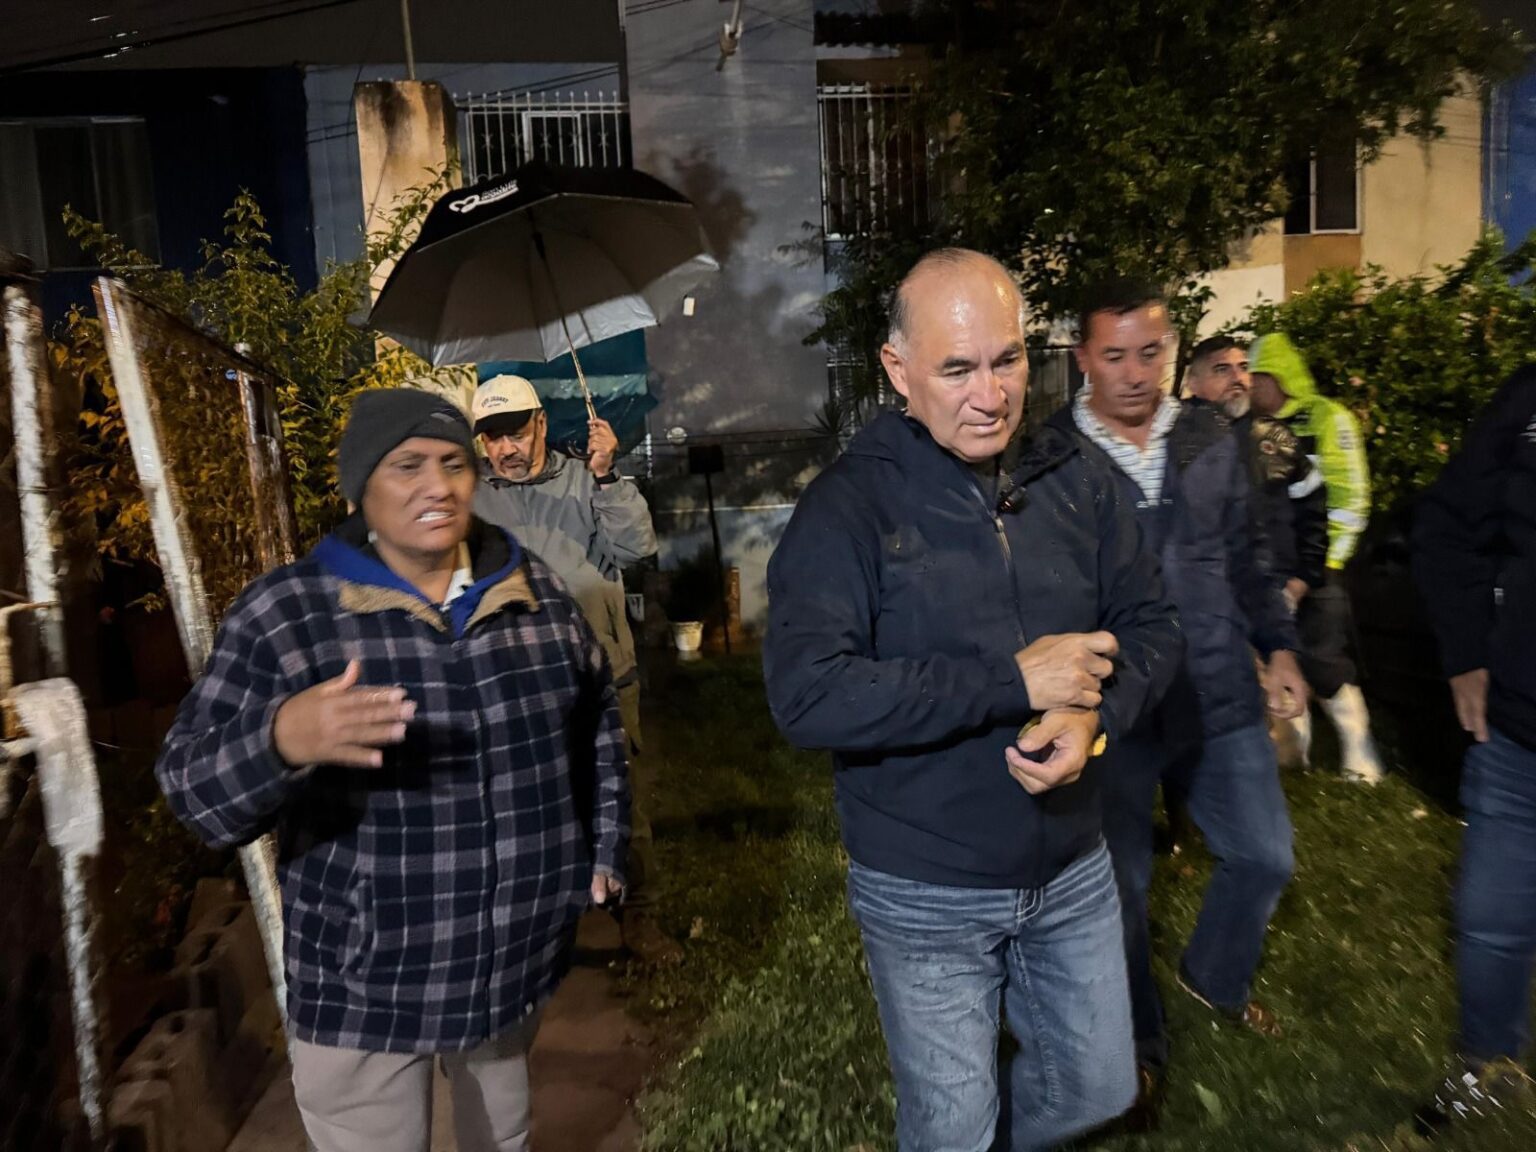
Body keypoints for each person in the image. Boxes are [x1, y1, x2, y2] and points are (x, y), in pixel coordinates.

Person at [763, 249, 1183, 1152]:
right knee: (954, 1131)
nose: (991, 395)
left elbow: (1152, 623)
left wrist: (1095, 718)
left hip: (1072, 865)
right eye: (957, 369)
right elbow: (807, 694)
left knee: (1099, 1088)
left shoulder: (1075, 477)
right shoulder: (848, 509)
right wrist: (1010, 680)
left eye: (1008, 360)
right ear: (898, 369)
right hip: (926, 887)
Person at [155, 389, 629, 1152]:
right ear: (360, 489)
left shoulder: (534, 596)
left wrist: (602, 846)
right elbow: (190, 787)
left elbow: (595, 718)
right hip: (364, 985)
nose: (437, 486)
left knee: (501, 1136)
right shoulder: (291, 614)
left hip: (510, 965)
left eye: (453, 463)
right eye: (407, 466)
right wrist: (281, 738)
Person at [1055, 284, 1307, 1120]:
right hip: (1118, 707)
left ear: (1171, 352)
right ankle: (1138, 1046)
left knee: (1265, 856)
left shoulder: (1211, 438)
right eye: (1114, 356)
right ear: (1083, 358)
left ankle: (1214, 977)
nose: (1135, 373)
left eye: (1150, 353)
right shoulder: (1052, 456)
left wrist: (1278, 644)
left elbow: (1251, 554)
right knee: (1119, 888)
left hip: (1218, 690)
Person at [470, 374, 678, 965]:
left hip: (600, 676)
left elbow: (637, 549)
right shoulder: (470, 498)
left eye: (515, 432)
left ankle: (638, 917)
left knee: (621, 801)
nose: (505, 449)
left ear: (540, 423)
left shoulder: (588, 479)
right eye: (492, 438)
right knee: (521, 813)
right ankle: (537, 933)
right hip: (512, 684)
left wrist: (608, 475)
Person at [1411, 367, 1536, 1133]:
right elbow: (1448, 522)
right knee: (1488, 912)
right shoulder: (1528, 399)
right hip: (1517, 729)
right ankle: (1488, 1064)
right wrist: (1464, 653)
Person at [1248, 333, 1385, 782]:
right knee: (1280, 657)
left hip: (1320, 566)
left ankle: (1362, 758)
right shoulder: (1253, 427)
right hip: (1271, 571)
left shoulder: (1327, 418)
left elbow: (1349, 494)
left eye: (1256, 377)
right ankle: (1295, 757)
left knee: (1325, 660)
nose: (1249, 385)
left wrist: (1328, 562)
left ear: (1277, 377)